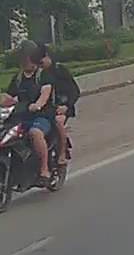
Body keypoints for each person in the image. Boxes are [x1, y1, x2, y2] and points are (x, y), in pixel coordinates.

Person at [1, 40, 56, 185]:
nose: (25, 61)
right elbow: (9, 96)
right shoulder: (18, 78)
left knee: (35, 133)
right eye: (22, 58)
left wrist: (37, 105)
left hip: (42, 116)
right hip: (21, 117)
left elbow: (45, 93)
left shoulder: (43, 75)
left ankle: (44, 170)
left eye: (27, 57)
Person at [36, 42, 78, 166]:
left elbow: (74, 91)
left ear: (48, 56)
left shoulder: (60, 70)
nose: (40, 65)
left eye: (41, 61)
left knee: (58, 122)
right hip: (45, 109)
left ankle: (62, 154)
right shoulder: (38, 75)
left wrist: (66, 106)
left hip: (61, 107)